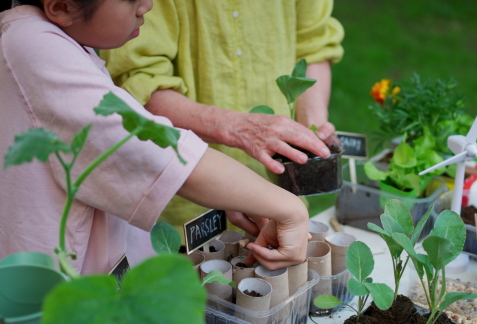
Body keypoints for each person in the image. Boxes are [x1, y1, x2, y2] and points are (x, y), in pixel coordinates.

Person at [0, 0, 309, 274]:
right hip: (54, 288)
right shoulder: (35, 49)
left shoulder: (45, 39)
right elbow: (153, 149)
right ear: (62, 7)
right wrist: (289, 208)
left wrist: (238, 194)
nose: (147, 5)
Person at [100, 0, 345, 230]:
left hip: (281, 189)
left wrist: (312, 130)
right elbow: (137, 85)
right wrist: (242, 130)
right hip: (183, 199)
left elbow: (313, 45)